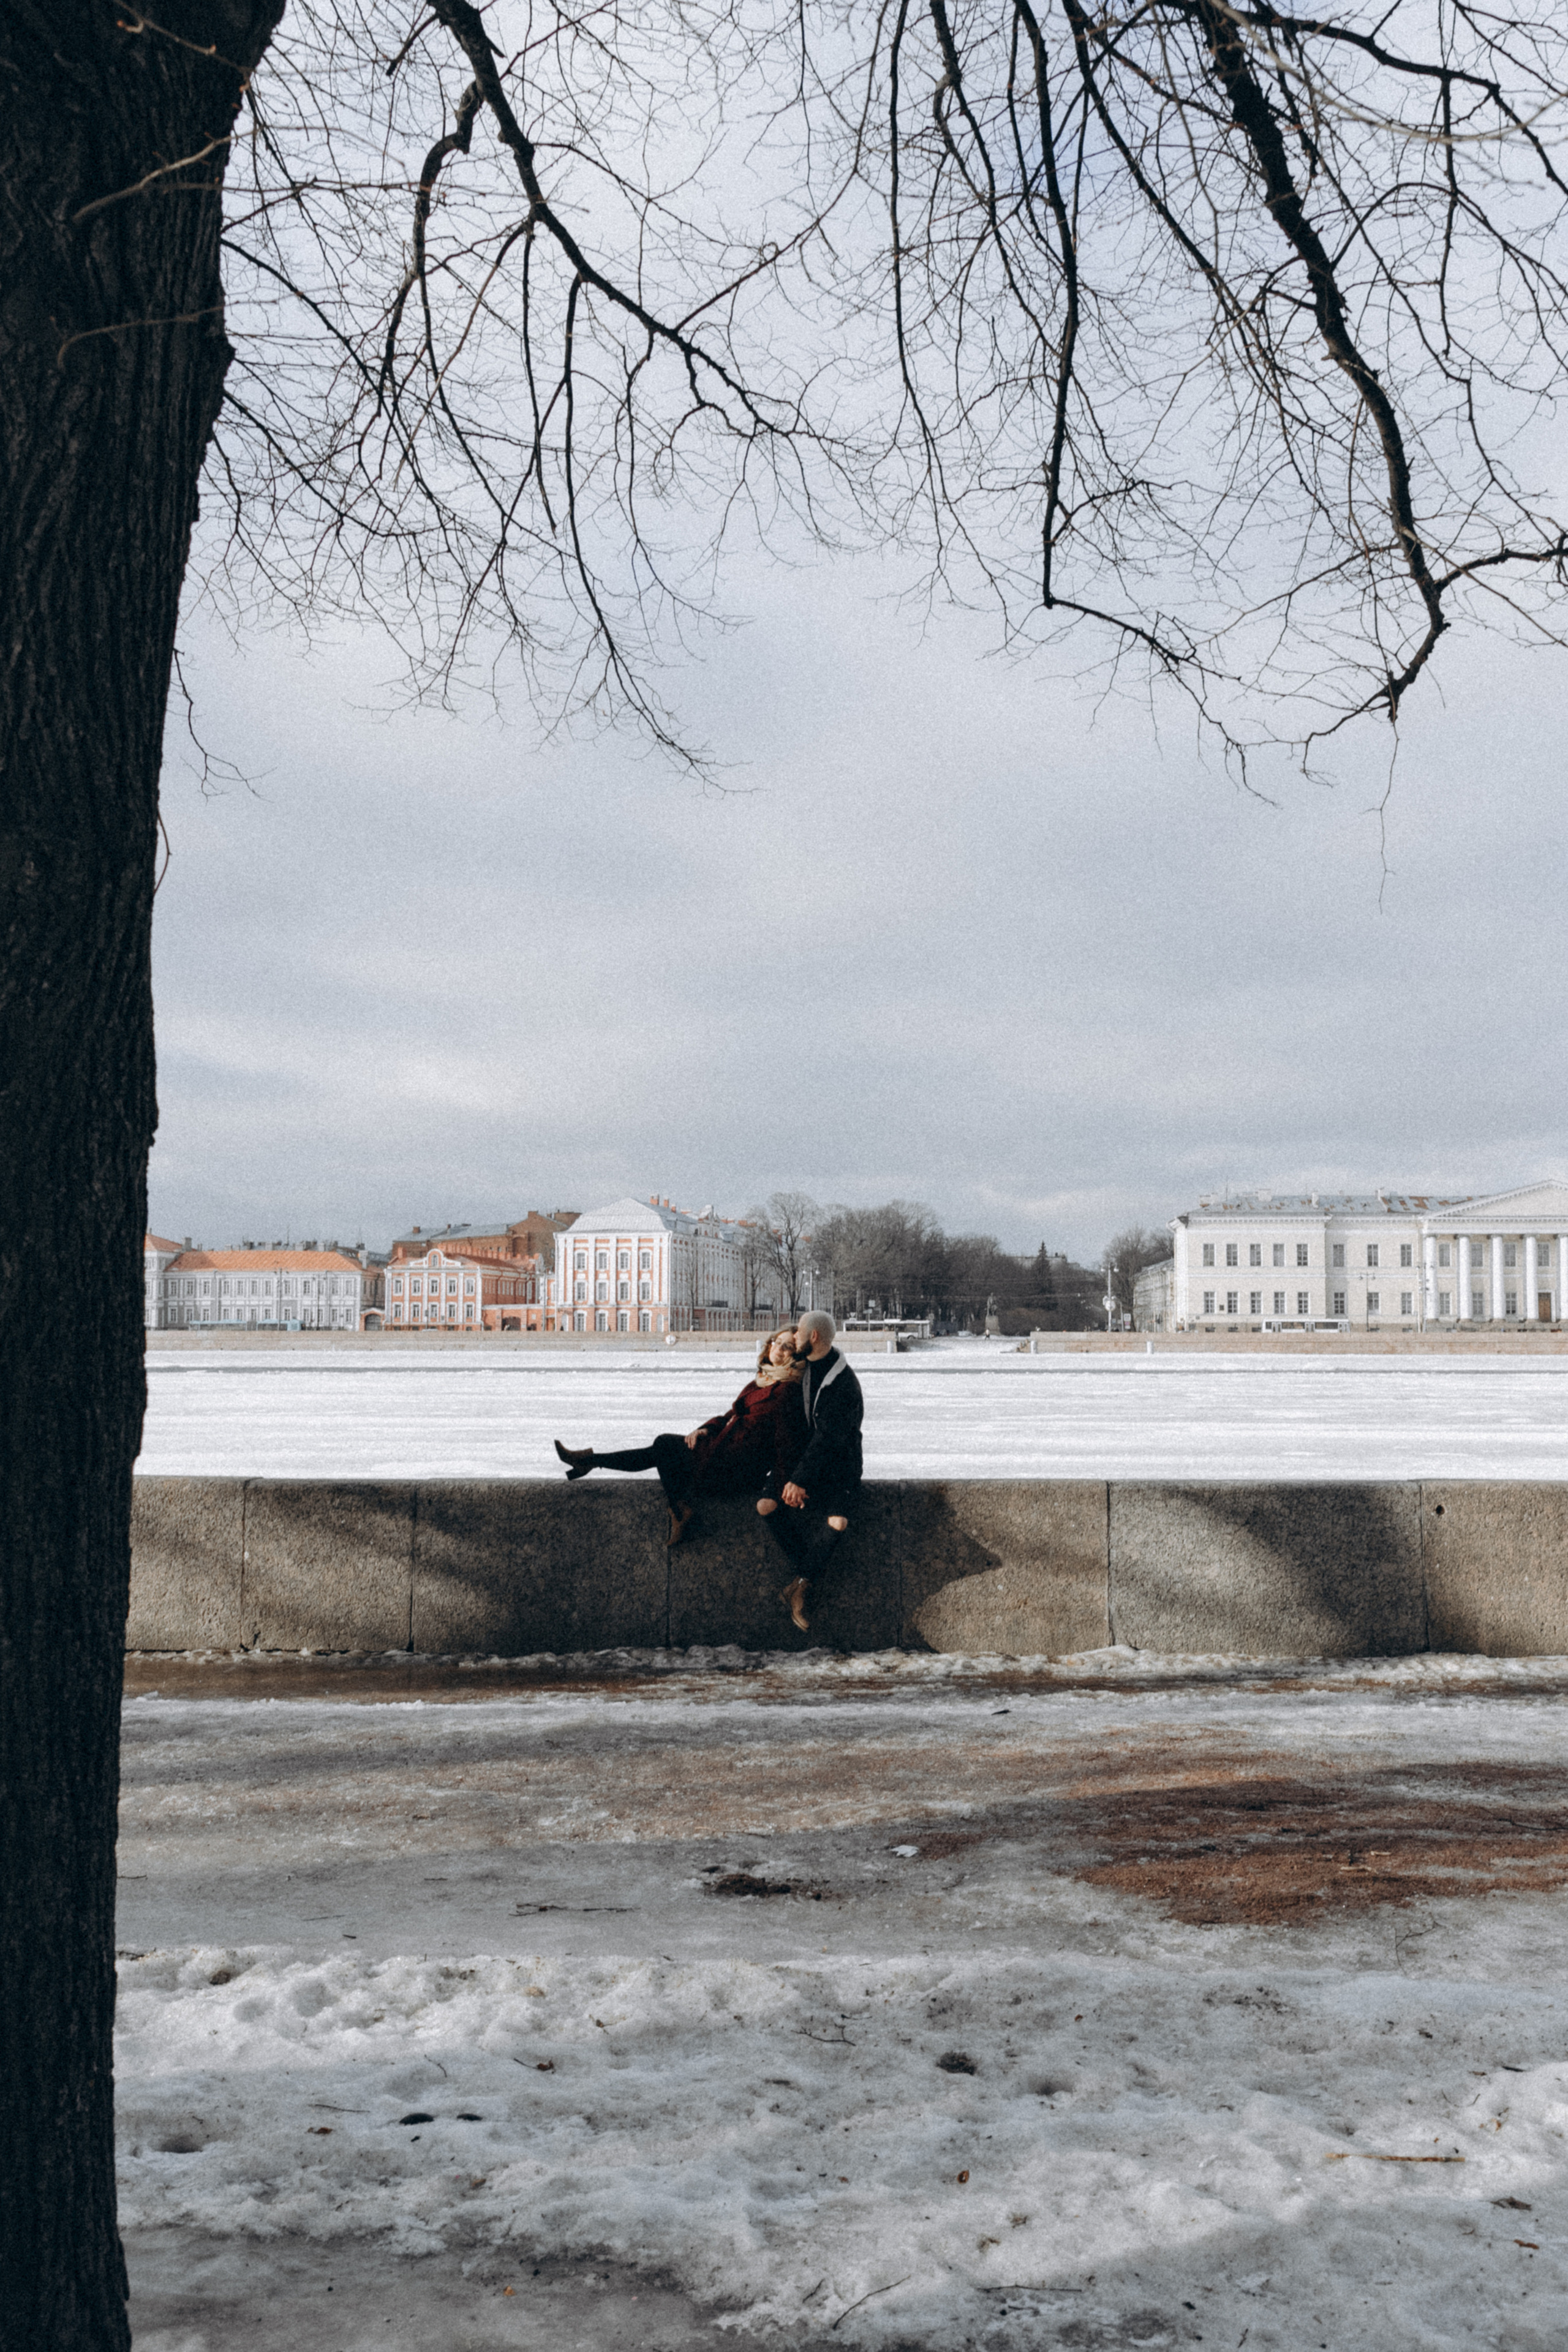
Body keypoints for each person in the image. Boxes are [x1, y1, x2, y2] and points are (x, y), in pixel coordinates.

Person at [553, 1329, 807, 1544]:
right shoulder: (763, 1380)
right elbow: (731, 1414)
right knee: (662, 1450)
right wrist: (705, 1429)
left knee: (664, 1446)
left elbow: (786, 1444)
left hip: (736, 1471)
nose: (779, 1349)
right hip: (721, 1454)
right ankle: (589, 1462)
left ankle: (678, 1507)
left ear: (795, 1357)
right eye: (777, 1342)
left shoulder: (787, 1391)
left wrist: (786, 1487)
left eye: (788, 1347)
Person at [757, 1309, 862, 1631]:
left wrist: (799, 1481)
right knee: (766, 1505)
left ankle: (801, 1586)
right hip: (802, 1462)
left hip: (838, 1467)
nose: (796, 1339)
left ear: (813, 1338)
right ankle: (805, 1579)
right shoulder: (804, 1367)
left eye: (800, 1334)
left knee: (838, 1521)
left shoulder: (842, 1382)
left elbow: (830, 1438)